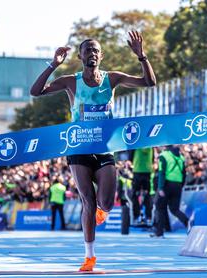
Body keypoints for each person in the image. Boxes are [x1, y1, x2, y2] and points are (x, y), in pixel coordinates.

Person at [30, 30, 156, 271]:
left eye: (96, 50)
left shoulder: (113, 79)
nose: (93, 53)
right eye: (88, 50)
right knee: (87, 199)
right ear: (80, 55)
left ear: (102, 56)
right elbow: (36, 92)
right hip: (79, 147)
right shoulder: (71, 81)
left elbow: (149, 82)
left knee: (107, 201)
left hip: (105, 148)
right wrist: (53, 65)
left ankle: (101, 211)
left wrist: (142, 56)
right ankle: (89, 256)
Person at [151, 145, 189, 238]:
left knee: (160, 208)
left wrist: (160, 187)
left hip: (167, 184)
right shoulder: (181, 157)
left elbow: (161, 172)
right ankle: (188, 223)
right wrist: (181, 185)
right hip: (178, 185)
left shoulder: (164, 155)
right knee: (174, 209)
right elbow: (184, 173)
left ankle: (159, 233)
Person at [131, 148, 153, 225]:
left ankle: (136, 216)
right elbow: (152, 158)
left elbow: (130, 156)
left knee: (134, 195)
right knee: (147, 195)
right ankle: (149, 217)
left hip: (137, 171)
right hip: (147, 171)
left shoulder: (136, 145)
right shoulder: (151, 146)